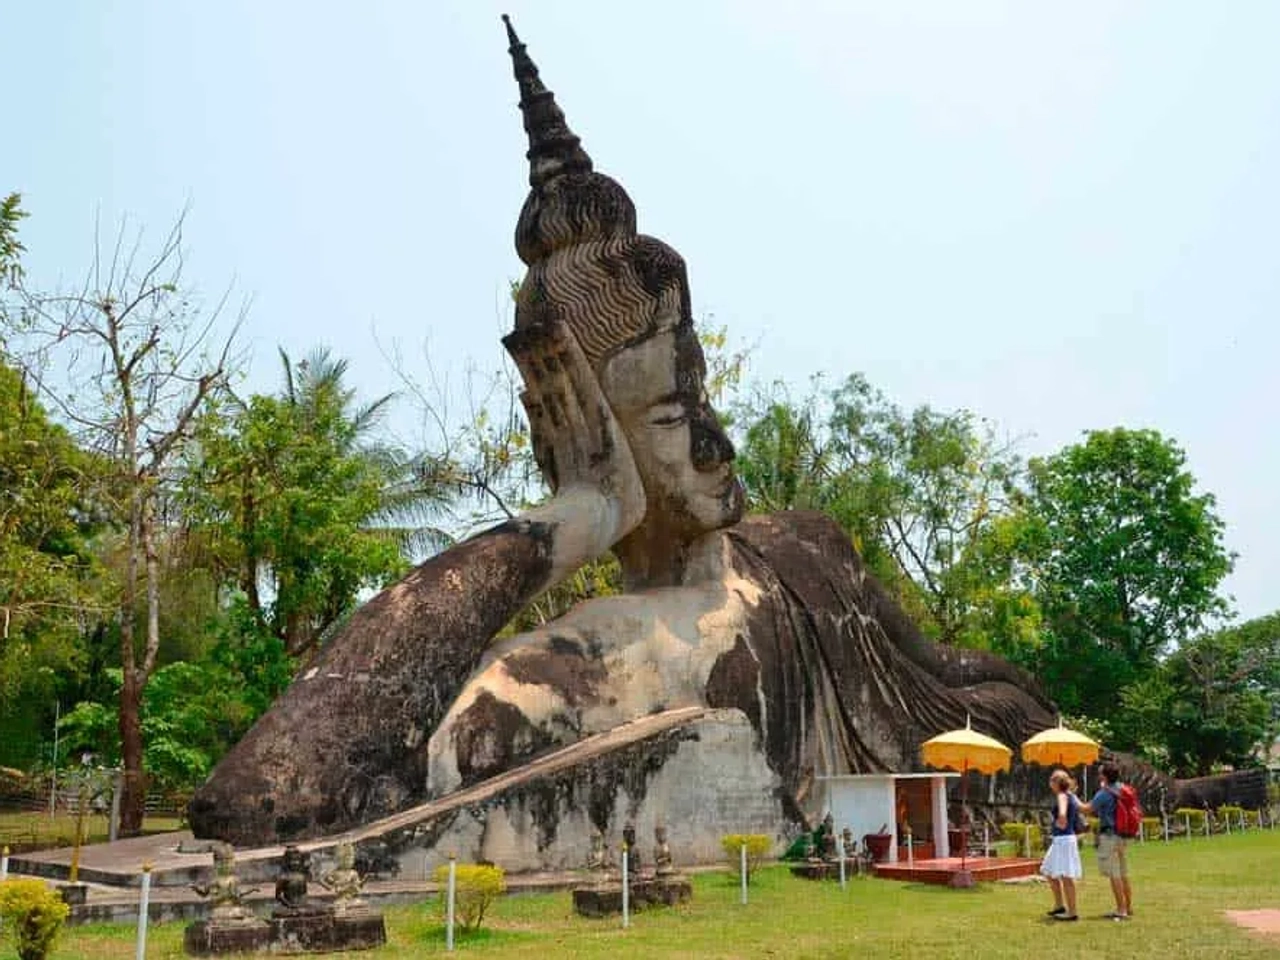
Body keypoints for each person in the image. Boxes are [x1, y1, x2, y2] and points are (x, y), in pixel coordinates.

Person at [1080, 762, 1133, 920]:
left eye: (1100, 773)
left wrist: (1071, 797)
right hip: (1123, 835)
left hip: (1109, 836)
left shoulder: (1104, 793)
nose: (1098, 776)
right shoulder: (1122, 788)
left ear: (1104, 776)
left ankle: (1121, 910)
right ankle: (1128, 907)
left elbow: (1087, 809)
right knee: (1123, 872)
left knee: (1114, 874)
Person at [1040, 769, 1082, 921]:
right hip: (1061, 839)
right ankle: (1059, 905)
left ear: (1056, 783)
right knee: (1048, 871)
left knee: (1066, 877)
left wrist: (1062, 819)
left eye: (1052, 779)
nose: (1050, 782)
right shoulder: (1070, 795)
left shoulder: (1062, 795)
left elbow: (1063, 811)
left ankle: (1072, 912)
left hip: (1064, 840)